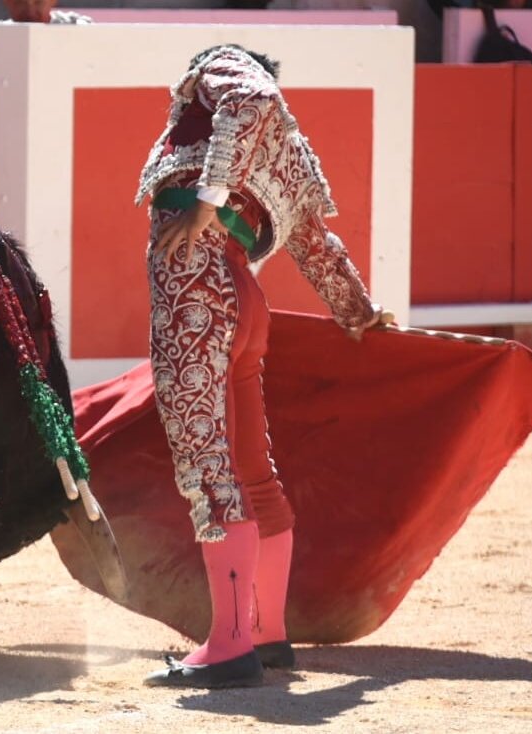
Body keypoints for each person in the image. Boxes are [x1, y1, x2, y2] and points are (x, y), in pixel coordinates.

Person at [135, 43, 384, 688]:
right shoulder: (290, 155)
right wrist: (356, 310)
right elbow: (315, 244)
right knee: (252, 470)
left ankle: (228, 646)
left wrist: (209, 200)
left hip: (196, 283)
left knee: (206, 461)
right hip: (245, 298)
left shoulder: (224, 71)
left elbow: (251, 97)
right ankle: (268, 635)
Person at [0, 0, 91, 211]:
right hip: (11, 189)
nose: (30, 9)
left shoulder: (82, 36)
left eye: (38, 0)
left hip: (76, 186)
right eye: (20, 1)